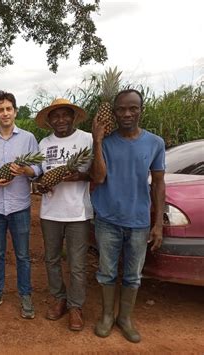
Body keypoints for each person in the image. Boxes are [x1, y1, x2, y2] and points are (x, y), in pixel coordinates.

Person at [91, 89, 165, 343]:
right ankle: (106, 316)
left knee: (133, 274)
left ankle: (125, 318)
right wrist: (98, 141)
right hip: (107, 219)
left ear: (141, 110)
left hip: (138, 221)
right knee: (107, 271)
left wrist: (158, 224)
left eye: (133, 108)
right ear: (113, 112)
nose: (127, 113)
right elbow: (98, 177)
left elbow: (158, 184)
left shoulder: (155, 143)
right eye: (121, 109)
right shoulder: (106, 142)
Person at [0, 90, 41, 319]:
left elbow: (38, 170)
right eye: (1, 109)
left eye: (8, 109)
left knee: (23, 254)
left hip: (19, 206)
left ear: (15, 111)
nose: (5, 113)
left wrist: (25, 170)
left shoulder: (28, 138)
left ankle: (25, 294)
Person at [34, 98, 93, 331]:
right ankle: (59, 298)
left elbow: (98, 172)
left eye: (65, 115)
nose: (60, 119)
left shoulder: (87, 139)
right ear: (49, 120)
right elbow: (39, 175)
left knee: (77, 264)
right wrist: (41, 184)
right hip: (50, 211)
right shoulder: (43, 143)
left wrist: (79, 176)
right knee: (52, 259)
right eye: (55, 116)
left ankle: (76, 306)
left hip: (78, 212)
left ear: (73, 117)